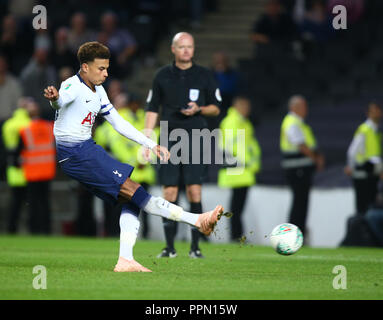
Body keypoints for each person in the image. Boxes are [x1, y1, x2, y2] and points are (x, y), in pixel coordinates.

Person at [43, 41, 224, 272]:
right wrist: (54, 97)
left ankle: (126, 260)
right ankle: (197, 220)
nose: (106, 74)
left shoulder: (98, 90)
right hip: (76, 153)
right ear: (85, 67)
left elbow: (118, 122)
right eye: (101, 69)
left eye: (107, 68)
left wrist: (150, 143)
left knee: (132, 199)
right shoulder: (71, 85)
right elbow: (61, 100)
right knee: (135, 192)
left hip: (86, 149)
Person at [144, 32, 222, 259]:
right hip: (169, 136)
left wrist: (199, 109)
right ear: (173, 49)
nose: (186, 50)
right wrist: (147, 139)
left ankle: (195, 247)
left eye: (190, 46)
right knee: (169, 191)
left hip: (196, 135)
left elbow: (216, 107)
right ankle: (169, 248)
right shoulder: (162, 75)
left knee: (193, 190)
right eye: (182, 47)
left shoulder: (204, 75)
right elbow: (152, 108)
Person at [217, 96, 261, 241]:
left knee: (238, 206)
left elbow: (250, 146)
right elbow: (233, 147)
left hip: (243, 171)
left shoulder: (244, 123)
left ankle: (237, 235)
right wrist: (247, 162)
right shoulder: (231, 122)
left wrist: (252, 163)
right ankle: (235, 235)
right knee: (237, 206)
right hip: (237, 171)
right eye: (245, 106)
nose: (247, 110)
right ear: (237, 107)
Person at [280, 95, 324, 237]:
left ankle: (298, 233)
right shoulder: (292, 122)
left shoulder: (299, 122)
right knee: (299, 202)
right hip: (297, 168)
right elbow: (300, 144)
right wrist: (315, 158)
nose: (306, 109)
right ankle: (294, 234)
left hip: (301, 168)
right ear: (294, 107)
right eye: (303, 106)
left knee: (301, 202)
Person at [18, 99, 56, 234]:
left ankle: (34, 230)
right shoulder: (50, 127)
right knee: (45, 202)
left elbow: (19, 152)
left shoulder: (25, 130)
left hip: (32, 172)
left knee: (33, 203)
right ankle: (47, 230)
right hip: (47, 171)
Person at [344, 102, 382, 215]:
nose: (376, 113)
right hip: (362, 175)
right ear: (368, 113)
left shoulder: (376, 132)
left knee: (371, 206)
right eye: (373, 111)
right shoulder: (365, 130)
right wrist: (350, 166)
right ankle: (361, 231)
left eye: (378, 110)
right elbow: (352, 151)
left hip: (372, 174)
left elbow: (375, 156)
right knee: (363, 208)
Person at [2, 97, 31, 233]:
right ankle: (32, 230)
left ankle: (11, 229)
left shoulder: (8, 124)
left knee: (15, 202)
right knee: (30, 203)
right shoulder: (29, 124)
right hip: (28, 167)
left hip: (13, 168)